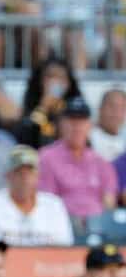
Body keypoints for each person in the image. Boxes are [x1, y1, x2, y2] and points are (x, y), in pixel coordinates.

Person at [0, 145, 74, 246]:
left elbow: (64, 247)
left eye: (30, 172)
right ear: (8, 175)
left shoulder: (54, 204)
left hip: (43, 264)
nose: (25, 178)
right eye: (19, 172)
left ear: (38, 176)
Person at [38, 96, 118, 227]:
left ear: (89, 125)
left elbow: (109, 204)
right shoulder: (46, 158)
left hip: (97, 227)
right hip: (61, 226)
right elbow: (47, 203)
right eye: (71, 120)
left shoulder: (101, 163)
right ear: (61, 124)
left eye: (81, 121)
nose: (76, 126)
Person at [17, 58, 83, 149]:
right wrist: (43, 107)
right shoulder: (31, 109)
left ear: (68, 83)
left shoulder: (76, 109)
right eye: (50, 76)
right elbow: (25, 138)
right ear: (40, 80)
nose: (55, 82)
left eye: (61, 77)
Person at [89, 89, 126, 162]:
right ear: (100, 109)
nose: (116, 112)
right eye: (112, 106)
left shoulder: (124, 138)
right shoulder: (86, 137)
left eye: (122, 107)